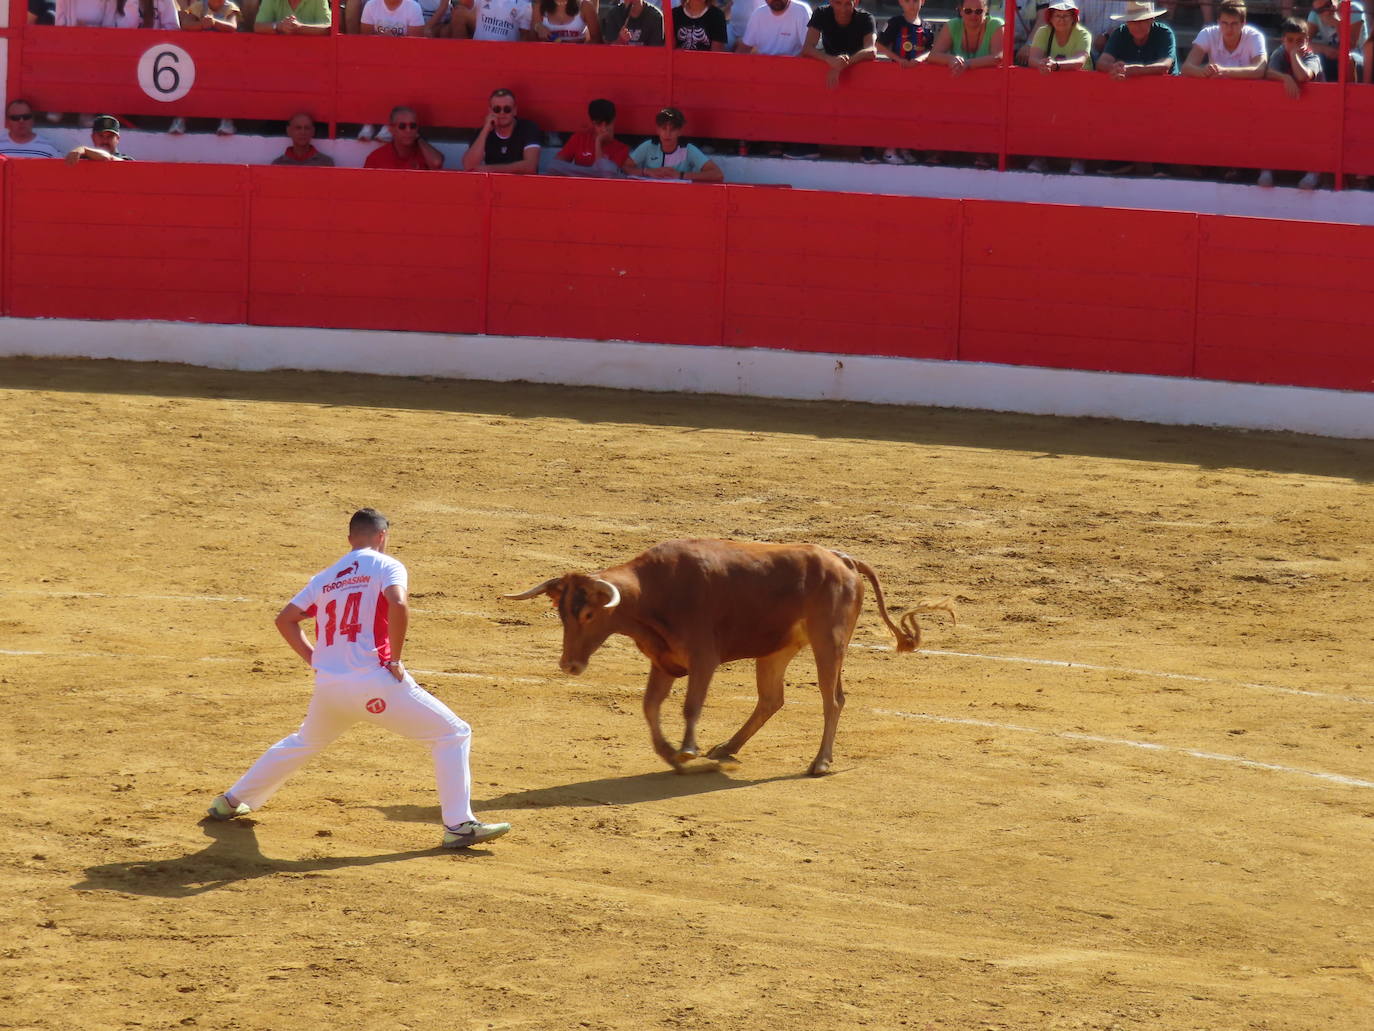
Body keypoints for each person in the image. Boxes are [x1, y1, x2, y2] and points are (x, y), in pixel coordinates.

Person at [205, 509, 511, 852]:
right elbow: (398, 603)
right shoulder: (387, 566)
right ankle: (458, 825)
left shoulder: (324, 577)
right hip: (372, 680)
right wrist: (394, 657)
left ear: (351, 538)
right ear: (382, 536)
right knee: (452, 733)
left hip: (330, 689)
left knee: (304, 742)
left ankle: (230, 801)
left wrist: (315, 659)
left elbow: (285, 620)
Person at [929, 0, 1003, 167]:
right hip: (956, 89)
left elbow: (999, 57)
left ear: (986, 11)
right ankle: (942, 150)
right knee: (944, 105)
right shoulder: (953, 25)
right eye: (968, 11)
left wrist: (967, 64)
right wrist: (951, 59)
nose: (973, 15)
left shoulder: (996, 24)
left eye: (978, 12)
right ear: (960, 11)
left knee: (986, 108)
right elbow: (933, 55)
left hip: (987, 90)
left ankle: (983, 153)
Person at [1024, 0, 1091, 175]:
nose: (1061, 19)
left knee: (1079, 122)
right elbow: (1032, 59)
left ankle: (1078, 159)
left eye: (1066, 15)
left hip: (1082, 89)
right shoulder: (1043, 32)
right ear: (1050, 18)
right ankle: (1040, 157)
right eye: (1057, 15)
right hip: (1051, 87)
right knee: (1040, 117)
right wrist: (1043, 64)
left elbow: (1080, 61)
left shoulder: (1083, 34)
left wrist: (1055, 66)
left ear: (1074, 18)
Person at [1260, 17, 1324, 189]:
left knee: (1317, 134)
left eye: (1299, 41)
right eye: (1290, 40)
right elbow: (1267, 73)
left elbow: (1303, 76)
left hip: (1313, 116)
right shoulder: (1279, 54)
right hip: (1285, 114)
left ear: (1307, 41)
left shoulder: (1312, 57)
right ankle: (1267, 168)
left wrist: (1295, 54)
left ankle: (1314, 172)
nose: (1294, 44)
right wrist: (1285, 77)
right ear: (1283, 40)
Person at [874, 0, 935, 164]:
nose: (912, 4)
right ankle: (890, 150)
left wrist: (920, 59)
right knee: (896, 113)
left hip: (918, 80)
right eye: (908, 1)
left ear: (922, 2)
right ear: (901, 2)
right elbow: (879, 45)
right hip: (897, 77)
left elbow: (932, 50)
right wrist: (899, 59)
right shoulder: (895, 23)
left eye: (916, 1)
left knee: (912, 113)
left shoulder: (927, 26)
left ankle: (904, 148)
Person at [624, 106, 724, 180]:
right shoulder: (649, 146)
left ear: (680, 131)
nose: (668, 134)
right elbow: (625, 167)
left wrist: (681, 175)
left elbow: (718, 174)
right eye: (664, 129)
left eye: (673, 129)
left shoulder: (688, 149)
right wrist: (647, 172)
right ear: (657, 130)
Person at [462, 88, 542, 173]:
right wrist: (485, 130)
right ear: (490, 111)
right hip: (491, 184)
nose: (502, 113)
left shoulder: (528, 128)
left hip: (523, 183)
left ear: (514, 111)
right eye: (497, 109)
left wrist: (491, 169)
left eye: (507, 109)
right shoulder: (483, 132)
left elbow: (530, 166)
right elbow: (469, 166)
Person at [1182, 0, 1266, 79]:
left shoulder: (1255, 36)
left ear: (1243, 23)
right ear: (1218, 22)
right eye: (1224, 23)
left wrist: (1224, 71)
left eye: (1234, 24)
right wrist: (1203, 72)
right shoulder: (1208, 33)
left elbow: (1260, 70)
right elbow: (1186, 68)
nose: (1229, 29)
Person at [547, 98, 632, 175]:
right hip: (578, 185)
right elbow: (555, 166)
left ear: (614, 119)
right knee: (554, 165)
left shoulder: (622, 149)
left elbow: (605, 175)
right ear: (592, 123)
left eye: (607, 123)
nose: (604, 129)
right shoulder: (579, 138)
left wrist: (598, 142)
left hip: (603, 188)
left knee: (606, 168)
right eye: (599, 124)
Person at [1097, 0, 1177, 78]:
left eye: (1141, 20)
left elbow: (1165, 66)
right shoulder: (1119, 33)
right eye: (1132, 21)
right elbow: (1102, 63)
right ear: (1127, 22)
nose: (1136, 26)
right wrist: (1115, 68)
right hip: (1128, 88)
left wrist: (1134, 71)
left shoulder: (1164, 33)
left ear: (1151, 20)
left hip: (1165, 88)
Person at [364, 106, 445, 169]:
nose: (408, 130)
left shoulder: (425, 153)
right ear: (391, 129)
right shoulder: (376, 158)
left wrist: (418, 138)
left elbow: (436, 163)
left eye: (413, 126)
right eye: (402, 126)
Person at [1308, 0, 1366, 82]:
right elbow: (1304, 42)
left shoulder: (1353, 9)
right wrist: (1324, 49)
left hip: (1357, 57)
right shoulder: (1315, 14)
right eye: (1320, 10)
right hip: (1331, 55)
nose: (1326, 11)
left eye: (1328, 4)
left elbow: (1350, 45)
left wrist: (1337, 25)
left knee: (1347, 59)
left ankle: (1349, 93)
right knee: (1317, 59)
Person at [738, 0, 811, 56]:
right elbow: (744, 48)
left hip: (793, 67)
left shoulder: (802, 11)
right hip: (763, 66)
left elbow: (810, 50)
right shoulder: (758, 14)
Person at [271, 112, 336, 166]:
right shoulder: (278, 164)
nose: (303, 132)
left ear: (313, 131)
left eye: (307, 128)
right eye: (298, 128)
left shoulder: (325, 163)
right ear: (289, 131)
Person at [64, 114, 133, 163]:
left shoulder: (127, 160)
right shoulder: (81, 160)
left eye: (110, 136)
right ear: (93, 137)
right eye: (101, 136)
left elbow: (108, 158)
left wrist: (84, 149)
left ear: (117, 139)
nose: (105, 140)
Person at [536, 0, 602, 40]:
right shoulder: (540, 6)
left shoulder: (585, 5)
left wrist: (578, 47)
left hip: (579, 58)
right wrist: (538, 27)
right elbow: (530, 40)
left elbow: (597, 40)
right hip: (547, 57)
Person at [254, 0, 330, 33]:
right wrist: (278, 26)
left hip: (311, 55)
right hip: (276, 54)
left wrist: (300, 28)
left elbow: (328, 29)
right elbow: (258, 27)